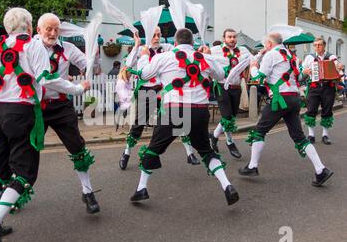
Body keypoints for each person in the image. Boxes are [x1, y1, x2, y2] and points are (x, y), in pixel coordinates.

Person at [0, 8, 82, 242]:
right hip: (20, 114)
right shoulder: (33, 46)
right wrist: (75, 88)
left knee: (1, 170)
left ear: (7, 28)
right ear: (30, 27)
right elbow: (46, 79)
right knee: (25, 173)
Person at [128, 28, 239, 206]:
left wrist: (142, 54)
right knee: (206, 151)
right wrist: (209, 55)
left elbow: (143, 75)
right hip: (199, 111)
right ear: (192, 41)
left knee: (153, 149)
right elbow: (221, 76)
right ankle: (227, 186)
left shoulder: (163, 57)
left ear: (175, 42)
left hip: (174, 111)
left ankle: (142, 188)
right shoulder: (205, 58)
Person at [239, 32, 334, 187]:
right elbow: (298, 77)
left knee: (259, 131)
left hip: (280, 98)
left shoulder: (271, 55)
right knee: (299, 137)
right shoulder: (290, 56)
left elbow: (259, 78)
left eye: (265, 45)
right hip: (294, 98)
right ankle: (320, 170)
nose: (264, 47)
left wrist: (254, 66)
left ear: (269, 44)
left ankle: (252, 166)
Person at [36, 13, 100, 214]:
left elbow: (94, 69)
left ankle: (87, 191)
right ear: (39, 30)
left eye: (56, 29)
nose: (53, 33)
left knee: (77, 147)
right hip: (35, 106)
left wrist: (93, 58)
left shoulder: (68, 49)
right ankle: (15, 190)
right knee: (26, 149)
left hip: (61, 106)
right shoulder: (30, 47)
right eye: (49, 28)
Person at [119, 27, 200, 170]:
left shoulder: (167, 48)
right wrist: (137, 45)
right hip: (146, 90)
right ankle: (126, 153)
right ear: (148, 36)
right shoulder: (141, 50)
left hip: (163, 90)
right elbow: (128, 64)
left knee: (177, 120)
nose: (156, 38)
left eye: (159, 35)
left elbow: (181, 50)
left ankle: (190, 153)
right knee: (139, 124)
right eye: (154, 35)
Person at [209, 29, 254, 159]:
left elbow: (253, 60)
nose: (232, 39)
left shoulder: (243, 51)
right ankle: (230, 142)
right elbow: (203, 58)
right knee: (227, 116)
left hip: (236, 86)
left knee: (231, 117)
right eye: (229, 37)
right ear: (224, 38)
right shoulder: (215, 50)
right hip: (221, 86)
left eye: (234, 37)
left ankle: (214, 135)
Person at [301, 37, 344, 145]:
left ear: (324, 46)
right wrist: (305, 71)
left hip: (328, 87)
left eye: (319, 45)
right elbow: (302, 71)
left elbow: (338, 69)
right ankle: (311, 135)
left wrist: (340, 67)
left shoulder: (332, 57)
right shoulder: (309, 58)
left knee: (327, 110)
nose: (317, 47)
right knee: (311, 110)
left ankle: (325, 135)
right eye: (315, 45)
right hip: (314, 87)